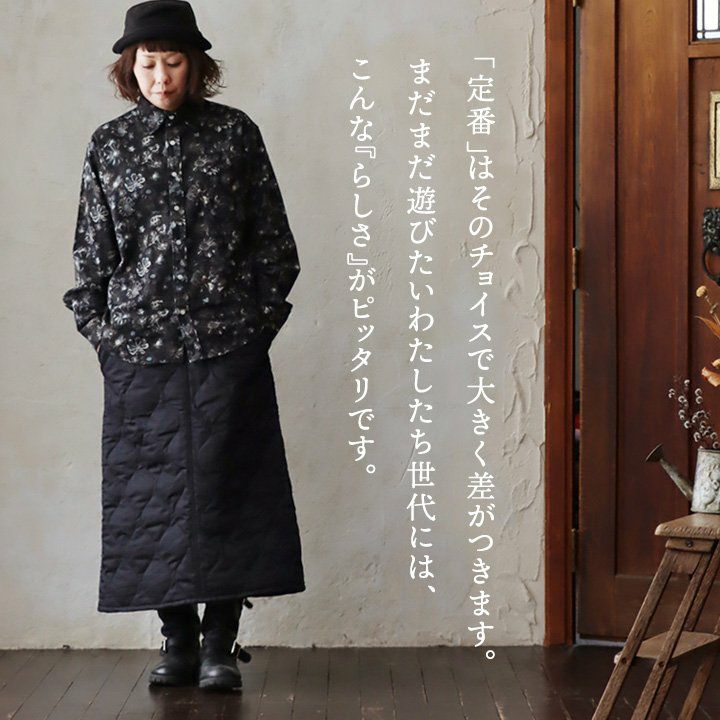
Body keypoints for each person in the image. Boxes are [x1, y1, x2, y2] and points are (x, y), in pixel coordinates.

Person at [61, 0, 306, 692]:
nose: (161, 77)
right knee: (152, 501)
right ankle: (177, 639)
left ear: (196, 67)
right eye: (148, 64)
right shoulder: (110, 145)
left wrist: (254, 326)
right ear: (128, 69)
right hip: (140, 355)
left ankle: (221, 641)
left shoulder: (235, 135)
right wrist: (107, 339)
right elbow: (91, 258)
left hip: (228, 349)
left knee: (233, 494)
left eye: (173, 62)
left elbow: (274, 244)